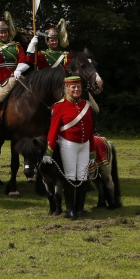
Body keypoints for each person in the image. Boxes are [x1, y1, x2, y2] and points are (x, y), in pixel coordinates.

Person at [43, 75, 96, 220]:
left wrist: (92, 153)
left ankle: (80, 208)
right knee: (71, 176)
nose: (76, 89)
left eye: (78, 87)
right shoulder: (59, 106)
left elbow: (91, 131)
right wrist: (49, 150)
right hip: (68, 144)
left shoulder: (86, 105)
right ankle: (70, 209)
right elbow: (53, 130)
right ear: (66, 89)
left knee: (83, 176)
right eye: (73, 87)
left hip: (84, 145)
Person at [0, 17, 39, 136]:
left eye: (5, 32)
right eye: (1, 32)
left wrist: (19, 69)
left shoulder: (16, 45)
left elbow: (23, 59)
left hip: (15, 75)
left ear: (8, 33)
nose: (3, 34)